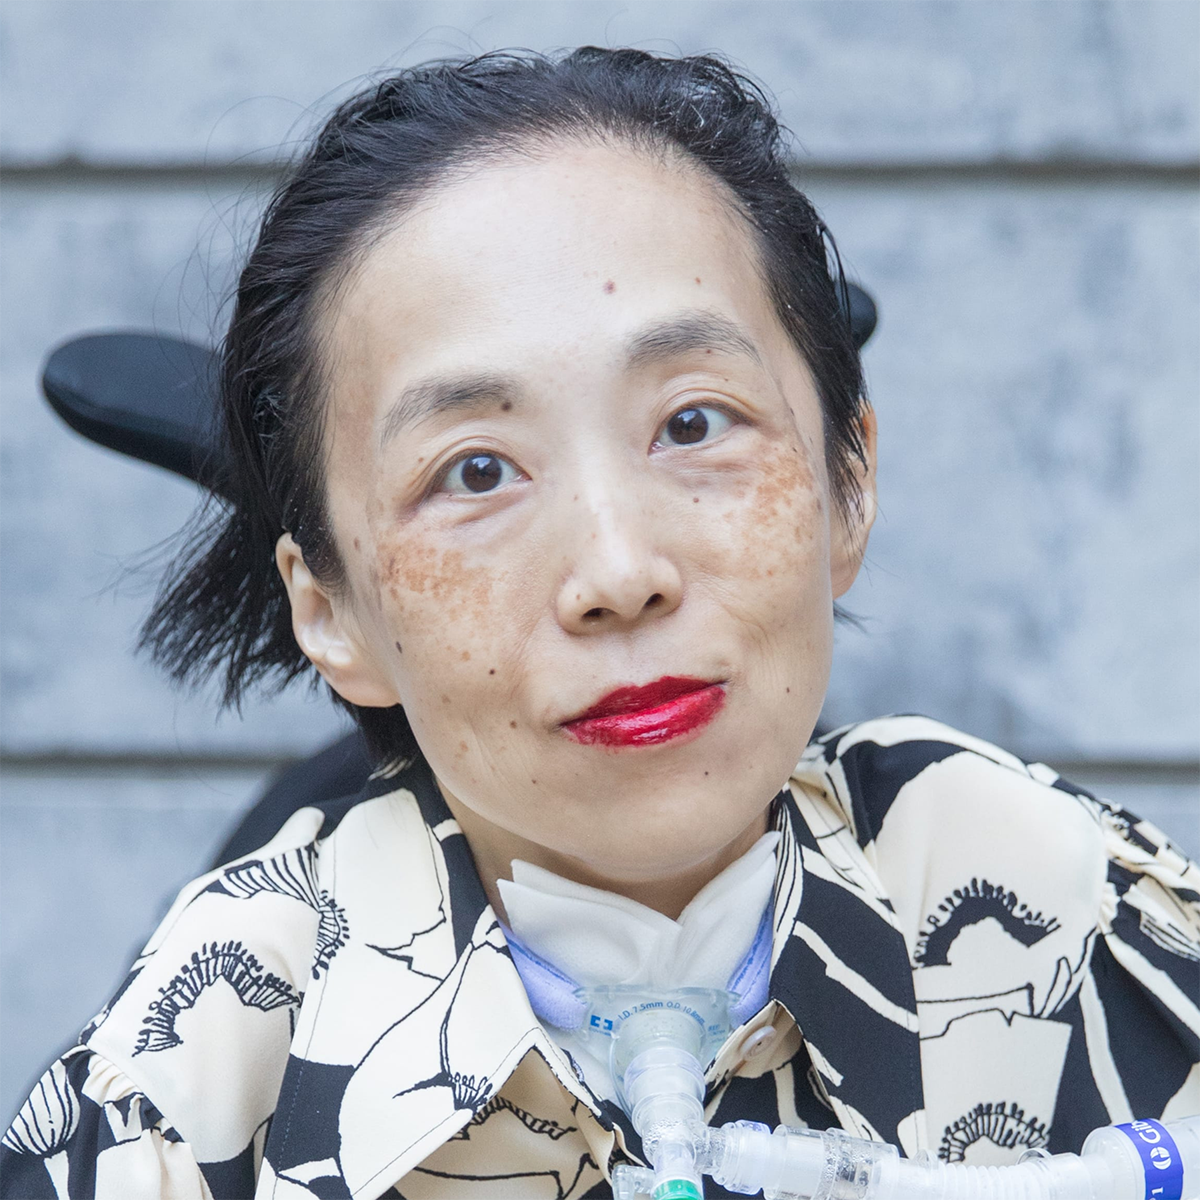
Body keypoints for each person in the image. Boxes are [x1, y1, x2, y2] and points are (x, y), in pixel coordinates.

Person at [2, 47, 1196, 1200]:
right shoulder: (188, 1093)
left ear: (849, 484)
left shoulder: (1087, 924)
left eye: (693, 424)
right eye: (475, 472)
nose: (621, 572)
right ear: (329, 608)